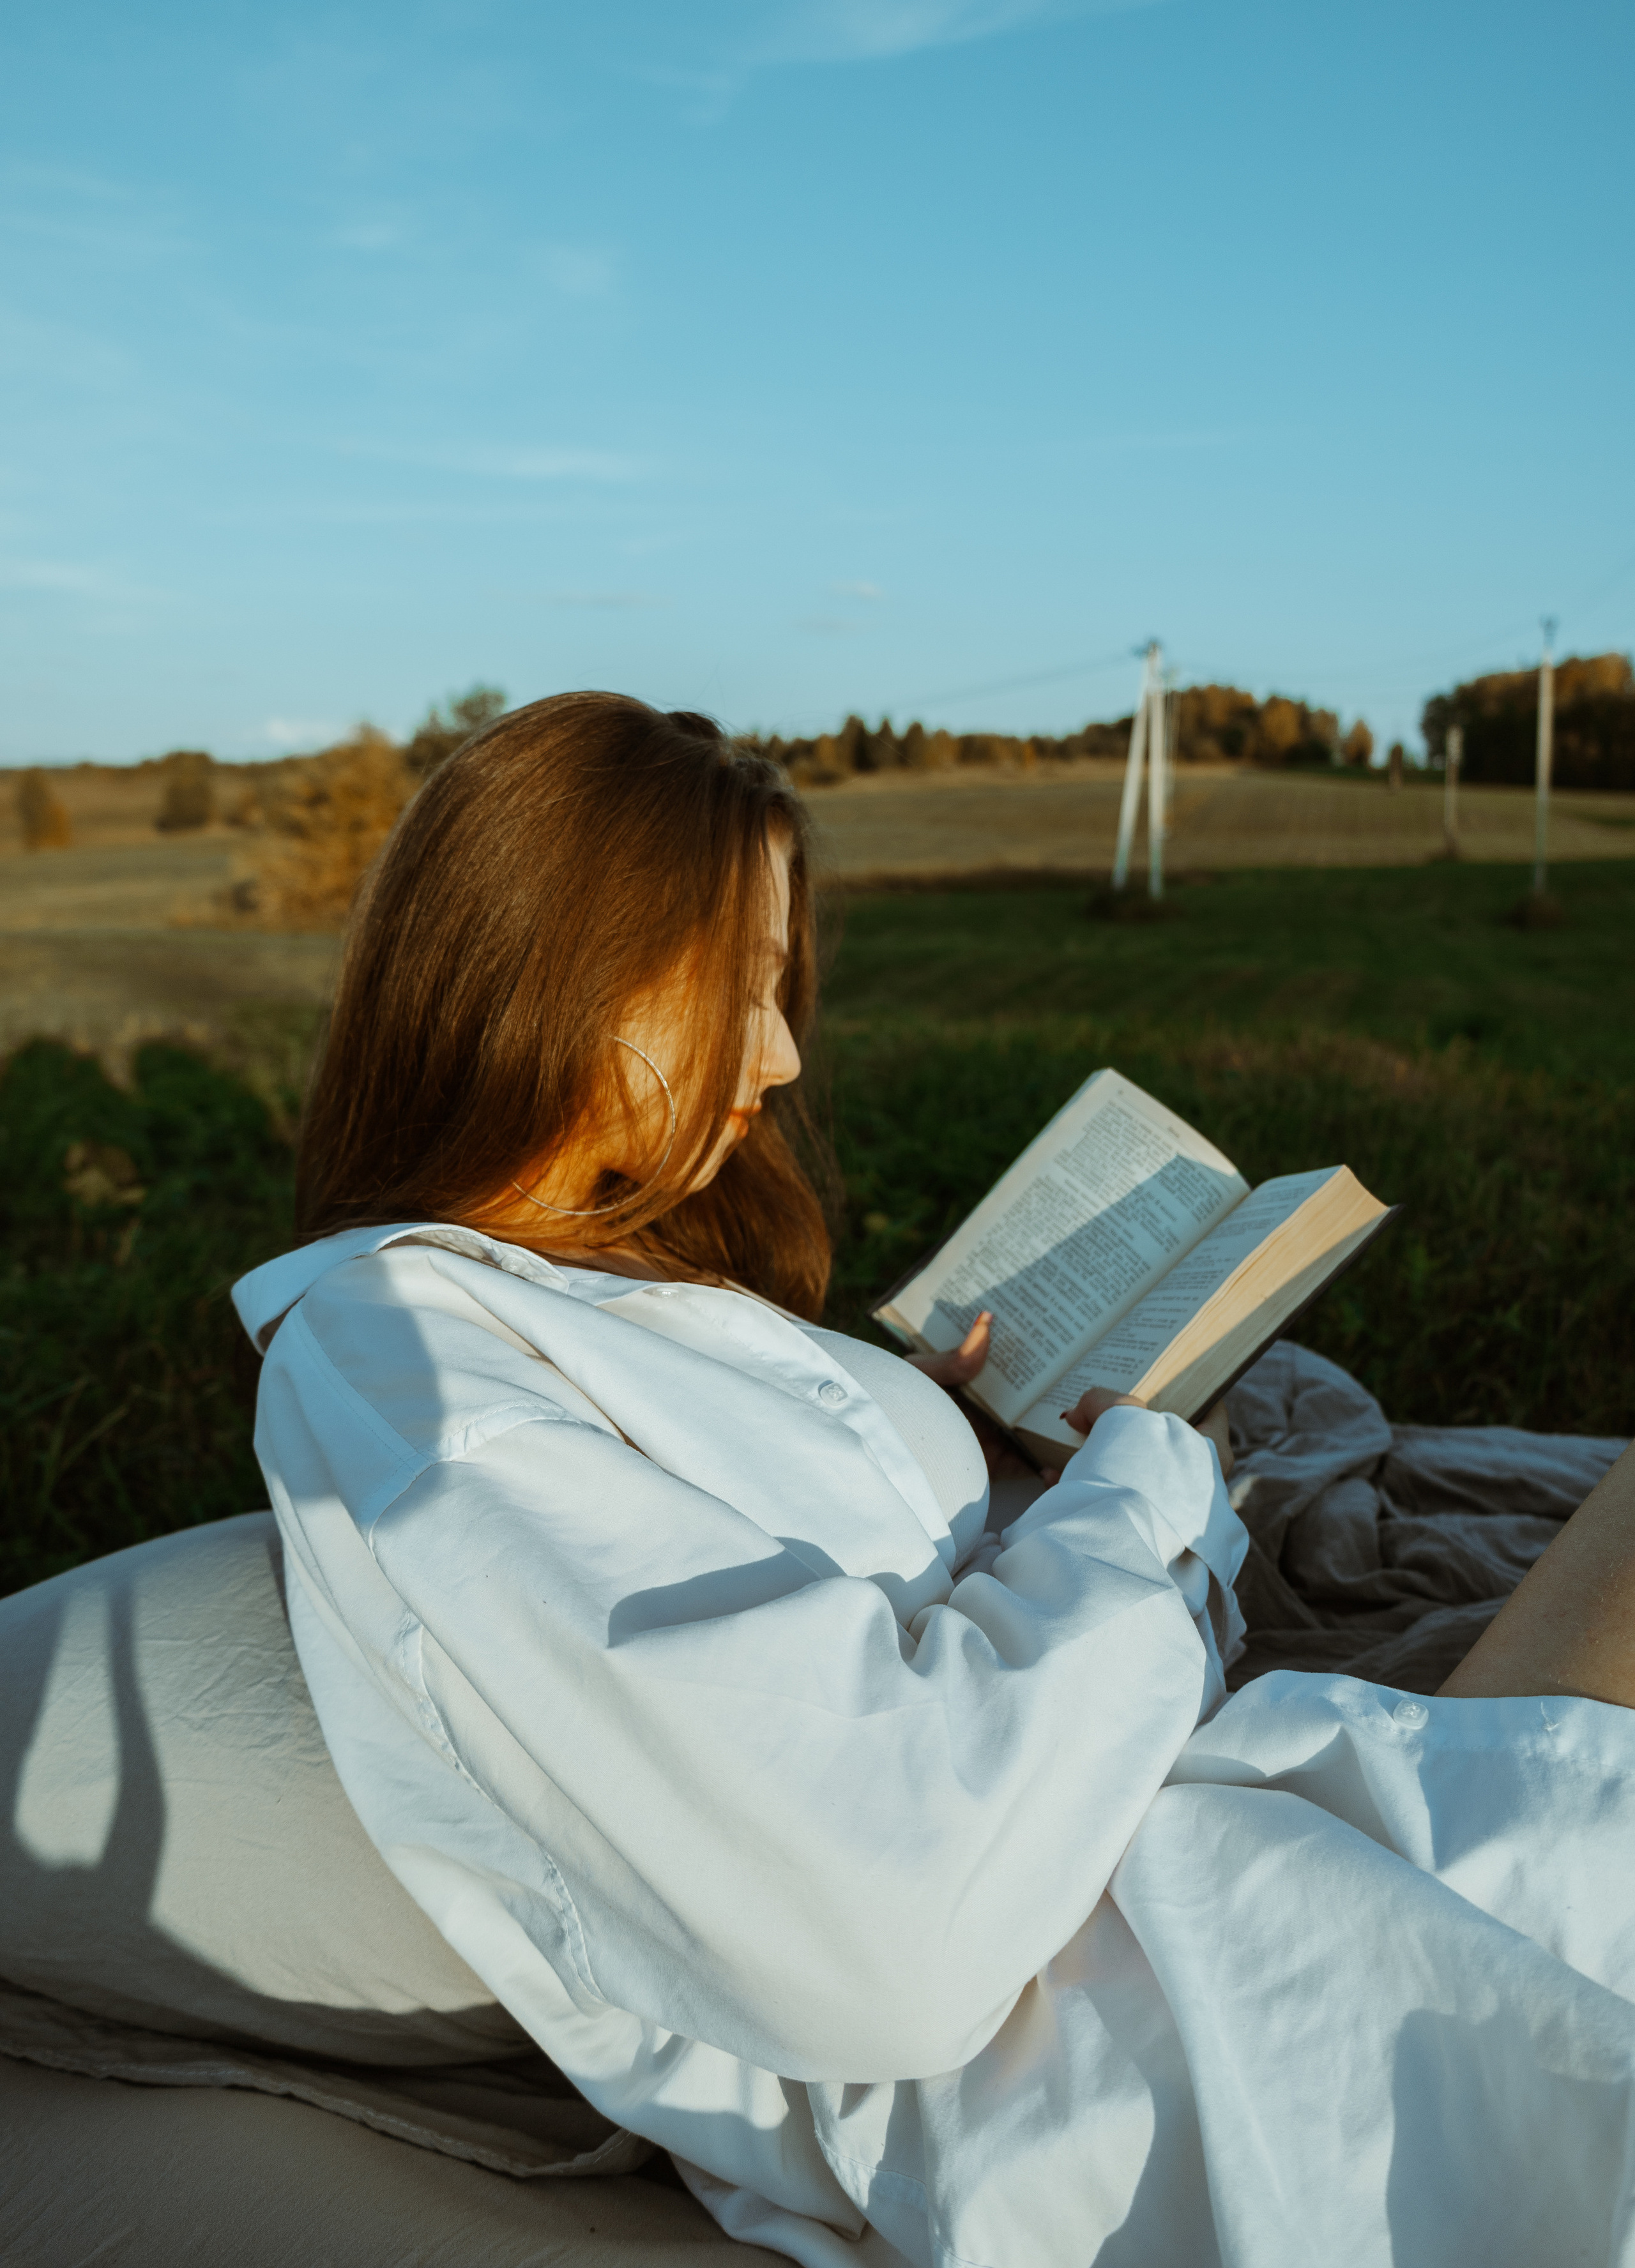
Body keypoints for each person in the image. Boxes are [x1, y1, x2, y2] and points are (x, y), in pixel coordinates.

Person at [238, 692, 1635, 2268]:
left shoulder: (549, 1303)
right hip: (1116, 2019)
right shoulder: (405, 1370)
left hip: (1152, 1850)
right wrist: (1136, 1483)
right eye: (739, 988)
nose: (771, 1056)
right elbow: (897, 1917)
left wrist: (964, 1450)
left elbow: (807, 1611)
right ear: (554, 972)